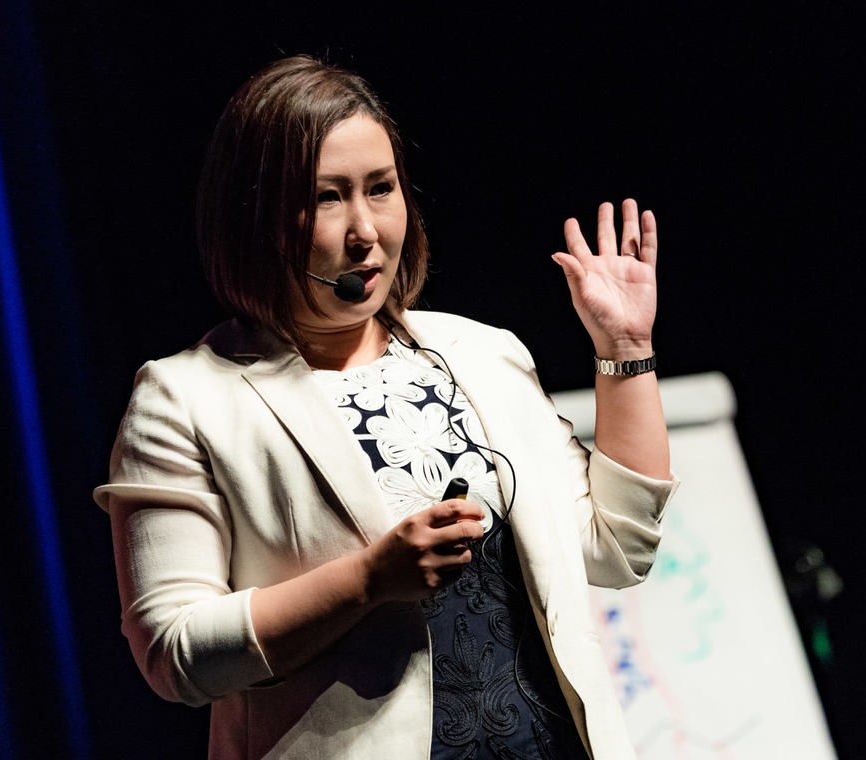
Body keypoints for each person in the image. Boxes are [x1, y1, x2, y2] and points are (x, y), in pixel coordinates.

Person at [94, 54, 678, 760]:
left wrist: (626, 349)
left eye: (380, 188)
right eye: (327, 196)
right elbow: (175, 655)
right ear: (254, 217)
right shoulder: (185, 398)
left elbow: (618, 546)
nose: (365, 229)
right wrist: (368, 581)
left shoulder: (481, 353)